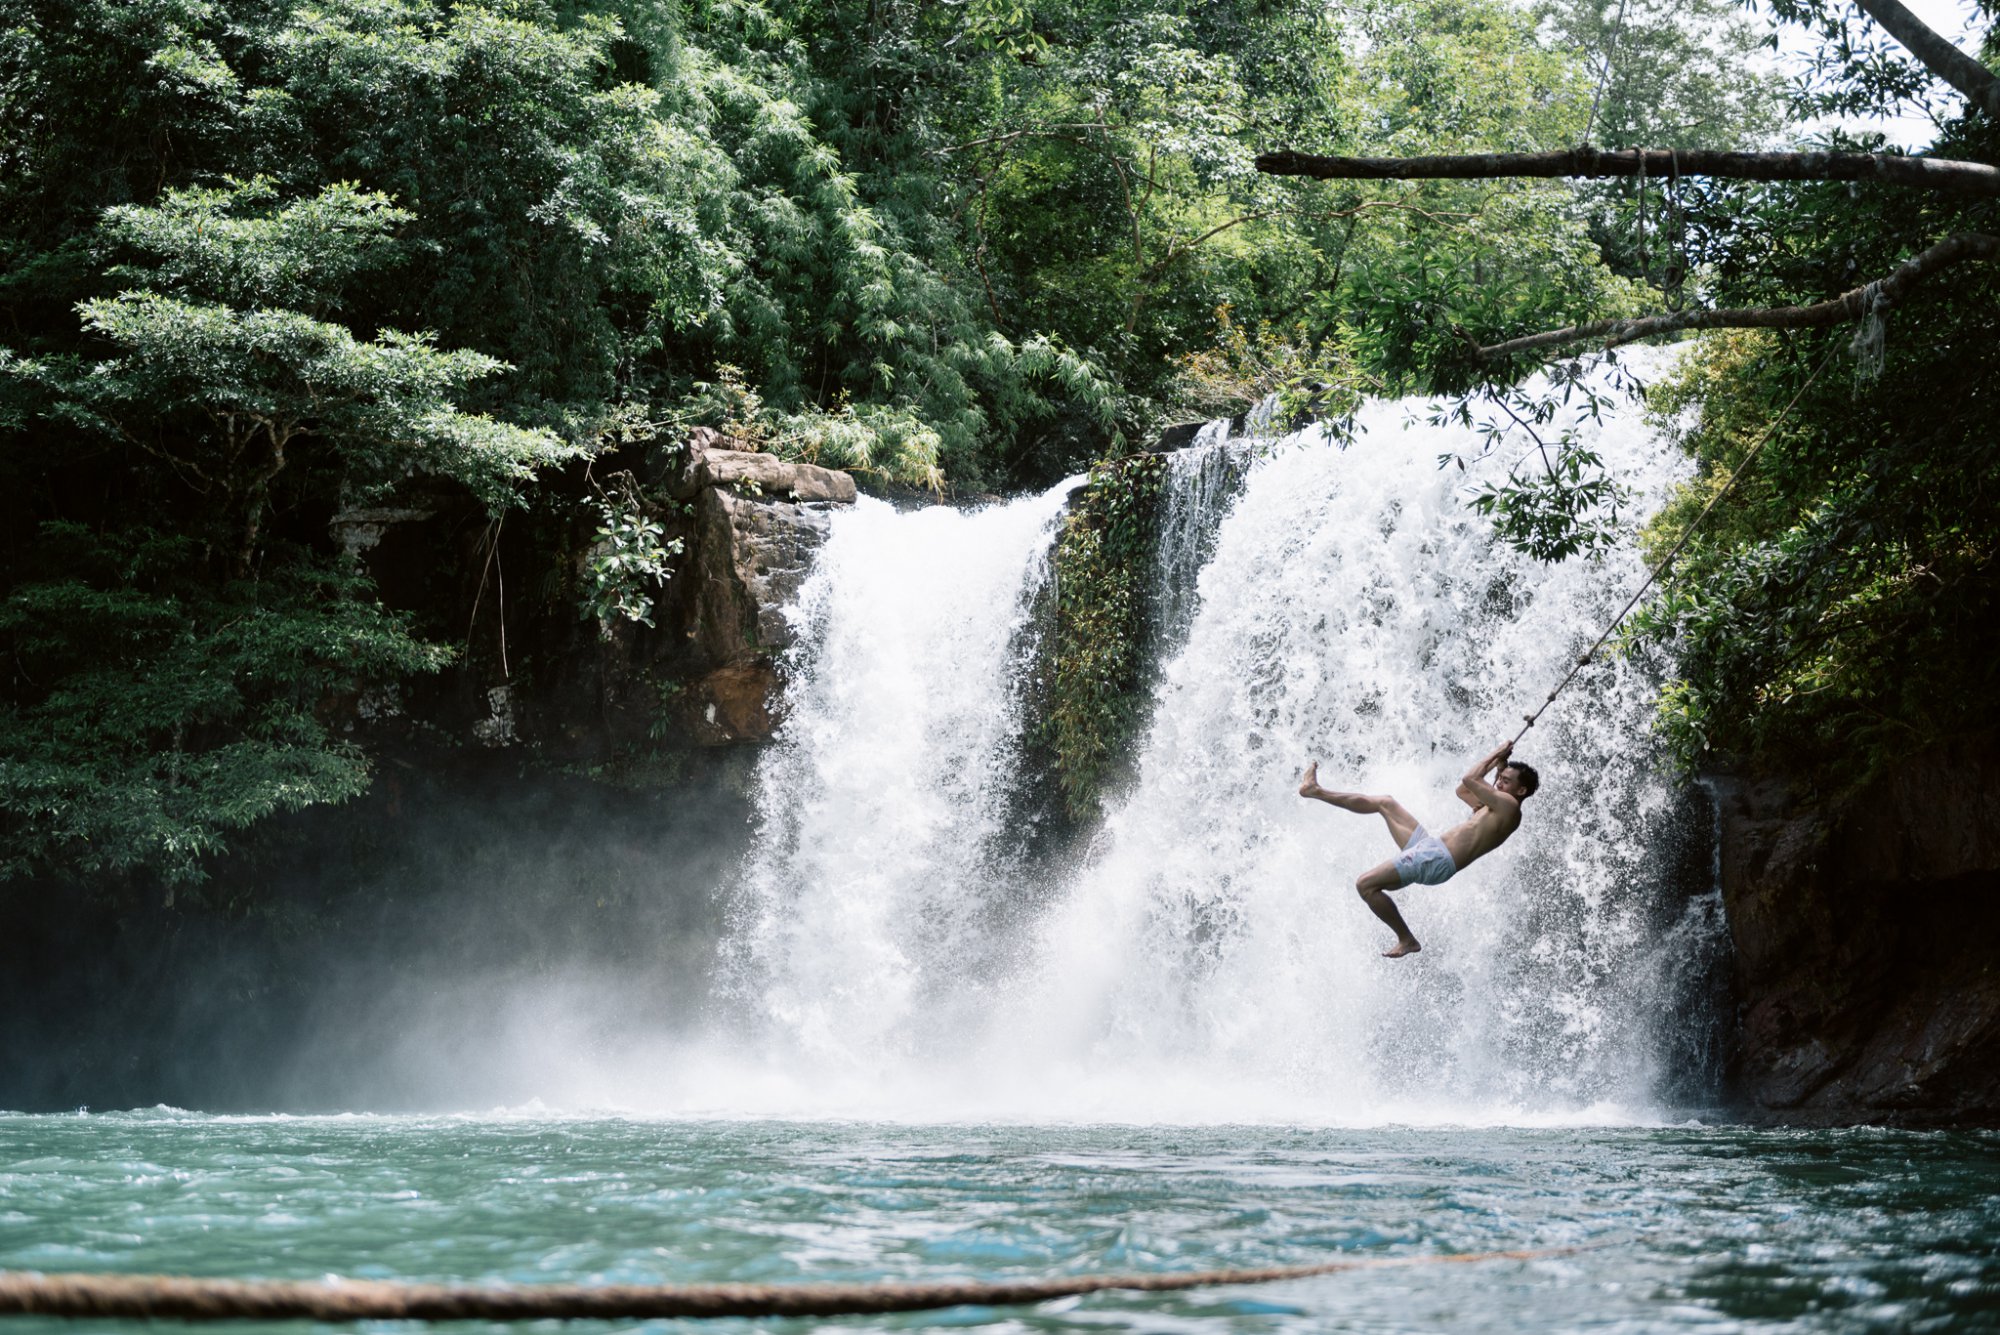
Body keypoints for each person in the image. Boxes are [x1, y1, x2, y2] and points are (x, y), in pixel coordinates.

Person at [1297, 742, 1540, 958]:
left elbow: (1470, 779)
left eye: (1506, 781)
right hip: (1430, 848)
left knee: (1365, 885)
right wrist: (1498, 769)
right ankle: (1314, 791)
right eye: (1500, 779)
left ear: (1521, 791)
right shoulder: (1496, 806)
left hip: (1436, 859)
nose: (1499, 783)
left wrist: (1496, 753)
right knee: (1385, 802)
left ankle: (1406, 939)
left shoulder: (1509, 808)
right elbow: (1463, 791)